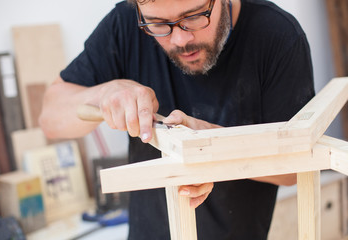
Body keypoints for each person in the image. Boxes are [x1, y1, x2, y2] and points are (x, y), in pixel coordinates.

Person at [39, 0, 315, 239]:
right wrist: (104, 93)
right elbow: (50, 118)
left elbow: (294, 170)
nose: (180, 40)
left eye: (194, 17)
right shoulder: (124, 24)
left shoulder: (277, 35)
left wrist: (214, 147)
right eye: (158, 24)